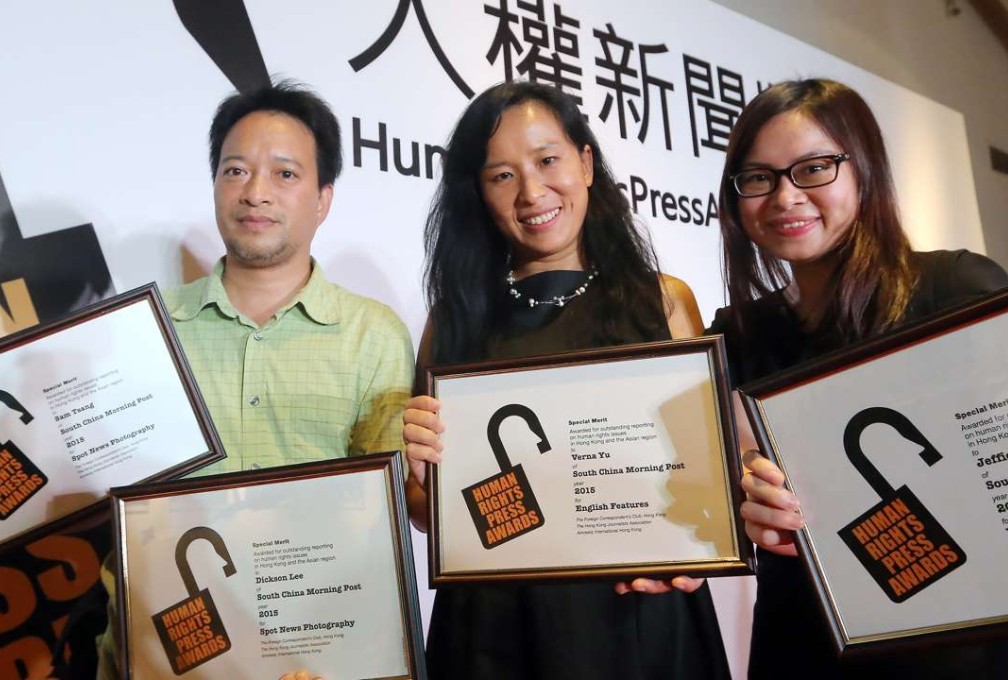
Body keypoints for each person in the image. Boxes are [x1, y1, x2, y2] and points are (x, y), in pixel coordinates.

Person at [402, 81, 730, 679]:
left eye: (548, 160)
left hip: (637, 614)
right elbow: (428, 511)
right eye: (501, 175)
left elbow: (707, 478)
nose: (531, 192)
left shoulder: (662, 302)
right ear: (477, 191)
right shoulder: (453, 321)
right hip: (494, 627)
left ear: (584, 162)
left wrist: (702, 542)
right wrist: (421, 477)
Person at [95, 81, 413, 679]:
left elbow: (382, 521)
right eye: (235, 170)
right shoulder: (144, 330)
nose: (256, 193)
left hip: (318, 653)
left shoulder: (373, 334)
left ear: (323, 199)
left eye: (285, 174)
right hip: (166, 649)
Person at [709, 77, 1008, 678]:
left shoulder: (955, 290)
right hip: (807, 635)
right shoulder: (738, 336)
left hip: (960, 637)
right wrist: (752, 501)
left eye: (813, 169)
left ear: (864, 169)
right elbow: (734, 484)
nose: (785, 197)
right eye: (758, 178)